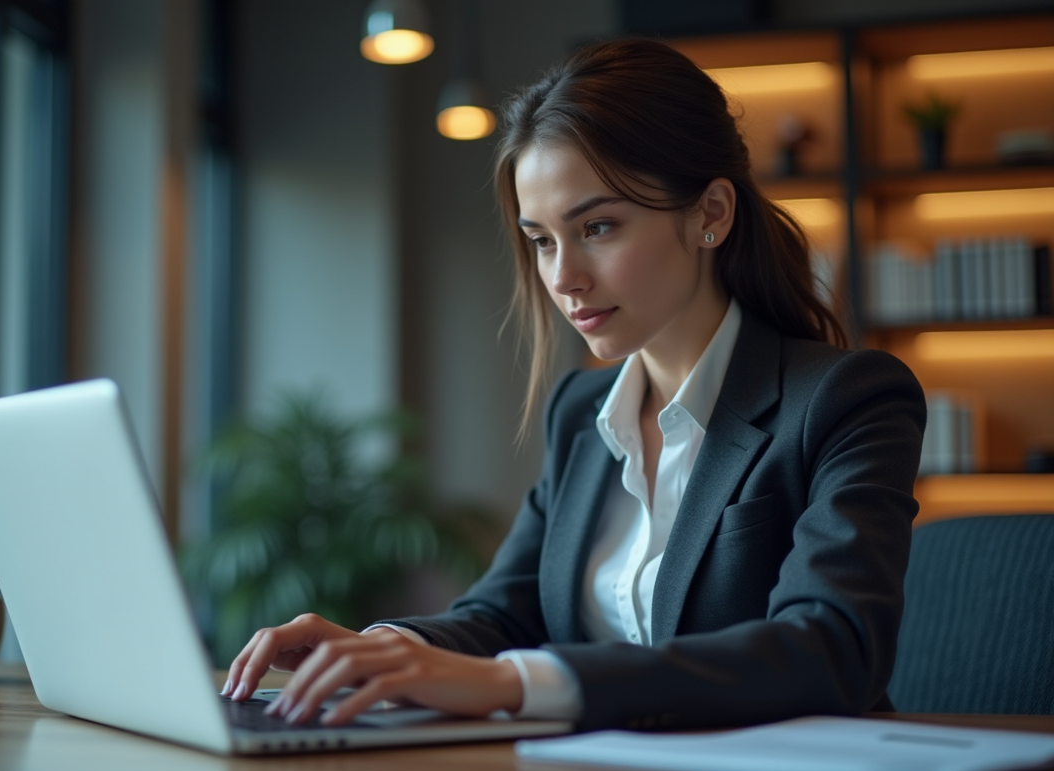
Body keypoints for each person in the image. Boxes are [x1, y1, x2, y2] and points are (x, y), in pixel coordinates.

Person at [220, 37, 926, 732]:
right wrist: (386, 651)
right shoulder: (582, 412)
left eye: (598, 226)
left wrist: (519, 682)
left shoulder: (845, 400)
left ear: (710, 213)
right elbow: (505, 612)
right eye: (542, 239)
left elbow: (832, 648)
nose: (562, 279)